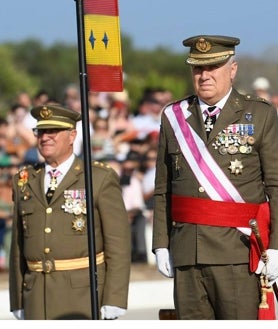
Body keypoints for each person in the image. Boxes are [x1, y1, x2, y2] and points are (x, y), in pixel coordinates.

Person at [152, 35, 278, 320]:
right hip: (187, 253)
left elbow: (276, 185)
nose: (204, 75)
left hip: (237, 252)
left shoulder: (259, 114)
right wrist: (161, 243)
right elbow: (163, 189)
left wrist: (277, 246)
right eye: (198, 68)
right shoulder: (173, 116)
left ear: (232, 69)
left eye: (213, 68)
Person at [9, 104, 131, 320]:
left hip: (82, 294)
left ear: (72, 135)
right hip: (36, 294)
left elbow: (118, 243)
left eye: (53, 131)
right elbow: (18, 246)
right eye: (41, 132)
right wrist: (17, 299)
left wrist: (115, 297)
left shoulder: (98, 178)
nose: (45, 137)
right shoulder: (24, 180)